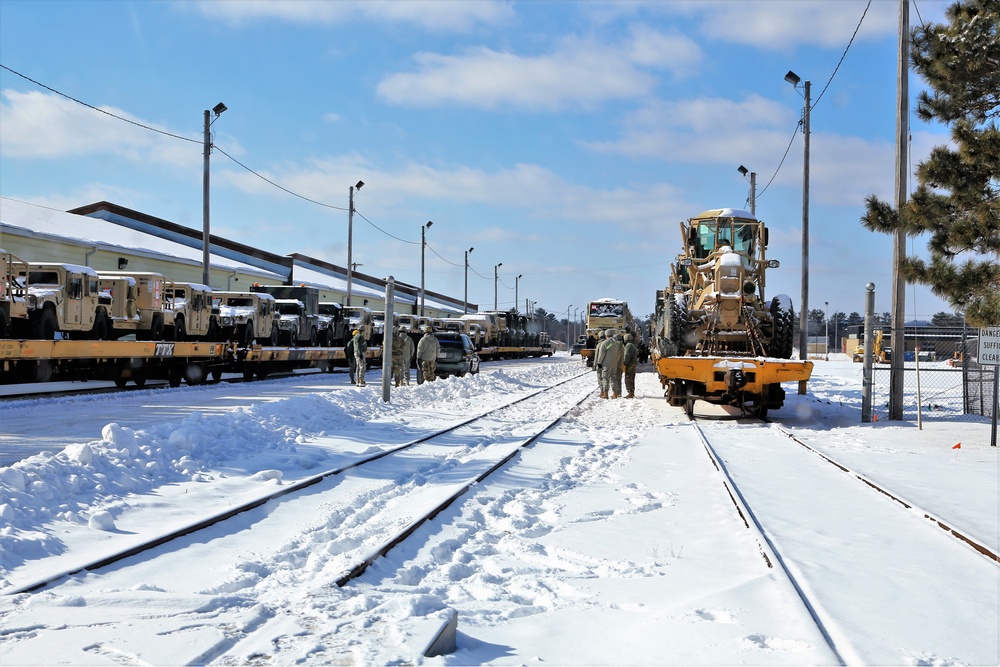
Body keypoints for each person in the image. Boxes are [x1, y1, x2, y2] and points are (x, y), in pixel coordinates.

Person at [594, 329, 624, 399]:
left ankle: (605, 394)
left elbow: (601, 355)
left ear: (606, 335)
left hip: (606, 365)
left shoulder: (604, 343)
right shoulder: (616, 343)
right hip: (614, 364)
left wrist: (599, 363)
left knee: (605, 379)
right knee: (614, 379)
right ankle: (615, 394)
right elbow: (618, 354)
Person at [623, 333, 638, 399]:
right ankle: (632, 392)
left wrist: (624, 363)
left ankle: (630, 392)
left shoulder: (628, 346)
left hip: (630, 364)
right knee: (632, 378)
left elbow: (627, 355)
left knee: (628, 378)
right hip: (633, 364)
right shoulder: (633, 345)